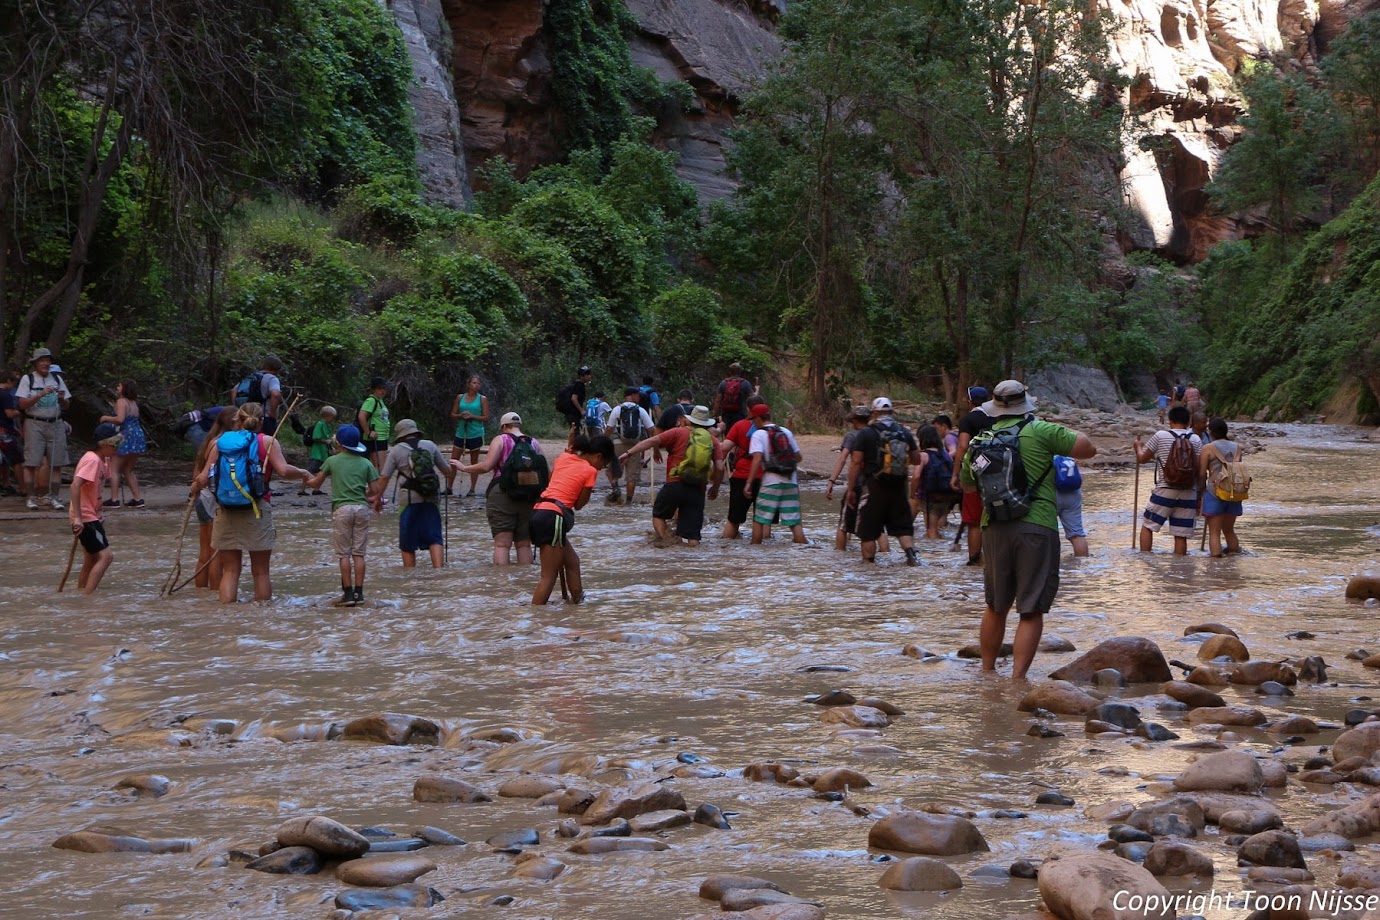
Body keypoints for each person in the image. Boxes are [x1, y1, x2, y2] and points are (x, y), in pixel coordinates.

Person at [960, 380, 1096, 679]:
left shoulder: (980, 439)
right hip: (1037, 524)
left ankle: (987, 671)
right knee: (1030, 609)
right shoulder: (1042, 430)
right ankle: (1017, 679)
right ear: (1026, 404)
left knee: (996, 606)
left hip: (993, 526)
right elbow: (1088, 448)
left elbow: (968, 484)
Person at [192, 403, 311, 603]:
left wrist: (195, 488)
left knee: (230, 571)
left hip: (226, 509)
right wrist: (303, 473)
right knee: (261, 572)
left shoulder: (221, 442)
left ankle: (227, 617)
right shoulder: (267, 442)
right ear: (261, 421)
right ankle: (260, 620)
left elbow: (203, 478)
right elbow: (283, 471)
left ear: (237, 419)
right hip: (256, 508)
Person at [620, 405, 724, 546]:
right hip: (698, 489)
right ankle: (693, 564)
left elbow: (651, 441)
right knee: (693, 536)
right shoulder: (713, 440)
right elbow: (719, 467)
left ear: (689, 420)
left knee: (658, 516)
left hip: (675, 483)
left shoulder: (677, 432)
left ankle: (670, 545)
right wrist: (715, 488)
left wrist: (628, 454)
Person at [531, 433, 615, 605]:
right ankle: (535, 620)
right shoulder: (590, 471)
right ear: (598, 456)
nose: (600, 468)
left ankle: (577, 604)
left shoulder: (564, 457)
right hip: (554, 517)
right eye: (603, 465)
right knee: (548, 576)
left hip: (539, 512)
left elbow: (551, 481)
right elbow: (579, 505)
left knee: (572, 562)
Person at [454, 412, 548, 565]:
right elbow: (545, 472)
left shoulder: (500, 440)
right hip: (529, 494)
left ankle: (502, 584)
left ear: (504, 426)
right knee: (524, 544)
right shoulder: (533, 443)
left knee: (502, 544)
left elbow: (486, 466)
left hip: (502, 492)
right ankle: (525, 582)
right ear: (519, 425)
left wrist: (464, 468)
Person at [304, 424, 381, 606]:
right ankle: (359, 594)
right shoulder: (366, 463)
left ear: (339, 443)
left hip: (342, 509)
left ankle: (347, 594)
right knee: (359, 554)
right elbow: (375, 491)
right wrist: (363, 496)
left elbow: (315, 484)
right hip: (362, 509)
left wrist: (305, 477)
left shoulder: (332, 461)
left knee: (343, 554)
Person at [845, 398, 921, 565]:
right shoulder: (904, 432)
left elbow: (856, 462)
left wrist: (851, 489)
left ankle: (869, 564)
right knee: (903, 527)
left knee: (868, 530)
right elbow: (916, 460)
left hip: (874, 486)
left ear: (874, 413)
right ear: (892, 412)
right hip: (899, 487)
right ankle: (912, 556)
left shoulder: (866, 433)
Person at [374, 419, 451, 568]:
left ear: (400, 435)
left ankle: (409, 575)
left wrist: (378, 498)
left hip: (408, 500)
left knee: (407, 543)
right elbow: (447, 471)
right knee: (434, 537)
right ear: (416, 431)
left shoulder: (396, 451)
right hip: (431, 498)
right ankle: (439, 571)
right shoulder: (430, 445)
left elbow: (384, 477)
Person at [1133, 405, 1202, 555]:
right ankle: (1179, 571)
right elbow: (1199, 468)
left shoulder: (1161, 436)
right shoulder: (1196, 439)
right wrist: (1200, 496)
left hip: (1165, 489)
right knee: (1181, 535)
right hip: (1189, 491)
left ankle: (1145, 560)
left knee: (1148, 525)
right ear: (1189, 422)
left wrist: (1138, 446)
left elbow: (1142, 459)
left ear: (1170, 421)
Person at [67, 423, 123, 594]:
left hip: (92, 515)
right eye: (114, 445)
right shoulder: (92, 460)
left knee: (91, 559)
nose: (117, 449)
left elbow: (94, 489)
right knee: (106, 557)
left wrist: (99, 514)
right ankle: (88, 597)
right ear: (103, 444)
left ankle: (82, 593)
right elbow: (75, 485)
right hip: (85, 517)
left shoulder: (102, 460)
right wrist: (78, 517)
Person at [826, 405, 888, 552]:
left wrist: (831, 481)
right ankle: (886, 554)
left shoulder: (852, 436)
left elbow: (842, 459)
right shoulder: (877, 435)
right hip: (875, 485)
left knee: (844, 525)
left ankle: (840, 556)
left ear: (854, 420)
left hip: (858, 485)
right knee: (877, 527)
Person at [16, 347, 71, 511]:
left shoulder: (57, 379)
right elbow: (21, 404)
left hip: (55, 423)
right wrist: (40, 394)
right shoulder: (28, 379)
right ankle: (31, 497)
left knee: (57, 463)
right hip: (34, 423)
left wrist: (62, 399)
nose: (45, 363)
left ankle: (54, 497)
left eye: (48, 360)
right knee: (31, 462)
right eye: (42, 360)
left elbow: (68, 404)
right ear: (35, 363)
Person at [747, 404, 806, 544]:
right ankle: (804, 551)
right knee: (794, 522)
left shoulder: (758, 434)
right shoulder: (786, 432)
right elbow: (798, 457)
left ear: (757, 418)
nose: (752, 422)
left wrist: (749, 483)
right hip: (790, 481)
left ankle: (754, 553)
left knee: (759, 520)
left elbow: (757, 459)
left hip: (770, 481)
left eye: (752, 419)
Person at [192, 407, 237, 590]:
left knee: (205, 551)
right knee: (216, 552)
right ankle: (215, 594)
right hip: (211, 498)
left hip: (201, 497)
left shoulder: (210, 440)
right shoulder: (222, 444)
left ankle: (202, 593)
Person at [950, 386, 994, 565]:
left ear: (969, 402)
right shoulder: (998, 417)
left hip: (974, 472)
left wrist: (955, 473)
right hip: (999, 471)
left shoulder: (968, 419)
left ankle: (975, 560)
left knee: (974, 520)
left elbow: (962, 446)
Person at [721, 396, 767, 539]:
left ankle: (726, 548)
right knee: (763, 521)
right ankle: (768, 556)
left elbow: (725, 448)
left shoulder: (740, 425)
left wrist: (717, 467)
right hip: (765, 478)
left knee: (733, 519)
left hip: (742, 476)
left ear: (748, 409)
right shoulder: (771, 428)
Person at [1199, 417, 1243, 558]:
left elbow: (1201, 473)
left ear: (1210, 432)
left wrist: (1200, 493)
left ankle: (1215, 566)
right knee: (1229, 530)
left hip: (1214, 493)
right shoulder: (1237, 448)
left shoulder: (1208, 448)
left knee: (1214, 532)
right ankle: (1233, 562)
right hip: (1234, 493)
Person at [99, 379, 146, 508]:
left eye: (119, 386)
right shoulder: (134, 403)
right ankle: (138, 498)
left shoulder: (121, 402)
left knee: (114, 468)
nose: (117, 387)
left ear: (124, 388)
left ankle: (114, 499)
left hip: (126, 435)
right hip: (138, 435)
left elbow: (120, 419)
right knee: (128, 469)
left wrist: (106, 418)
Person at [607, 386, 655, 505]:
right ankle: (628, 502)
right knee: (632, 475)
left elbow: (609, 428)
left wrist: (602, 442)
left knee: (612, 470)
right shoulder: (641, 410)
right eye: (638, 395)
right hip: (635, 446)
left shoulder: (617, 409)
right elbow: (652, 429)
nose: (639, 397)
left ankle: (616, 488)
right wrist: (654, 444)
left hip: (618, 443)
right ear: (632, 395)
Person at [913, 424, 959, 540]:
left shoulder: (923, 455)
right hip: (947, 495)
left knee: (931, 530)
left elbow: (916, 476)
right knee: (941, 525)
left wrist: (912, 493)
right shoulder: (945, 454)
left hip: (930, 497)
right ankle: (945, 548)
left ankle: (936, 553)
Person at [450, 375, 489, 496]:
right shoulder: (460, 397)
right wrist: (461, 415)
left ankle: (472, 489)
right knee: (453, 460)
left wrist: (472, 416)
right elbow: (453, 414)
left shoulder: (482, 399)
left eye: (478, 383)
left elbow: (486, 417)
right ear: (469, 384)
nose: (476, 385)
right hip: (461, 432)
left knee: (474, 461)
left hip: (475, 433)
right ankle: (448, 487)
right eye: (474, 383)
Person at [231, 355, 285, 436]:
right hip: (263, 418)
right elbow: (276, 394)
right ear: (277, 368)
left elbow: (233, 391)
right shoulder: (272, 379)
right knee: (264, 444)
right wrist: (272, 414)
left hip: (245, 417)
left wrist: (238, 409)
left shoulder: (251, 376)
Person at [1053, 455, 1090, 557]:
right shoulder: (1066, 454)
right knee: (1077, 535)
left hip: (1052, 493)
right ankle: (1081, 566)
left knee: (1047, 532)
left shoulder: (1040, 452)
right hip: (1073, 493)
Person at [297, 405, 338, 496]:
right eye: (332, 417)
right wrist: (325, 441)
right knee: (310, 470)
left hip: (324, 452)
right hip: (317, 453)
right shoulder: (320, 424)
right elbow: (315, 437)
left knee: (323, 471)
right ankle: (302, 489)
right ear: (326, 416)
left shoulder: (327, 426)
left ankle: (316, 489)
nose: (332, 419)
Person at [358, 377, 392, 471]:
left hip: (382, 438)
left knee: (378, 467)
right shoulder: (371, 401)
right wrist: (368, 432)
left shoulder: (379, 401)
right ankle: (377, 485)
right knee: (380, 468)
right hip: (376, 438)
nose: (382, 391)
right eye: (379, 388)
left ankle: (374, 485)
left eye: (384, 388)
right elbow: (361, 416)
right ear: (373, 390)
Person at [712, 363, 755, 432]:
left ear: (730, 371)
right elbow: (753, 398)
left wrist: (715, 414)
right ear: (740, 371)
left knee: (728, 433)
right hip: (740, 413)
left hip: (726, 414)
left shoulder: (723, 383)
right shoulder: (745, 383)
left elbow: (718, 400)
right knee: (738, 432)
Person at [557, 366, 593, 447]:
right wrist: (581, 410)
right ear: (581, 376)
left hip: (571, 413)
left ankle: (572, 450)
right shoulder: (579, 384)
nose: (589, 376)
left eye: (589, 374)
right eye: (587, 374)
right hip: (573, 413)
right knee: (576, 433)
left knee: (574, 431)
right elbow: (574, 398)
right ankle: (575, 451)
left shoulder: (578, 384)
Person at [0, 368, 21, 495]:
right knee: (16, 459)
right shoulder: (5, 395)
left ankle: (5, 483)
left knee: (3, 460)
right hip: (4, 431)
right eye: (13, 383)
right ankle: (24, 488)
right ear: (8, 381)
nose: (13, 387)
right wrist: (19, 412)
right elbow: (9, 413)